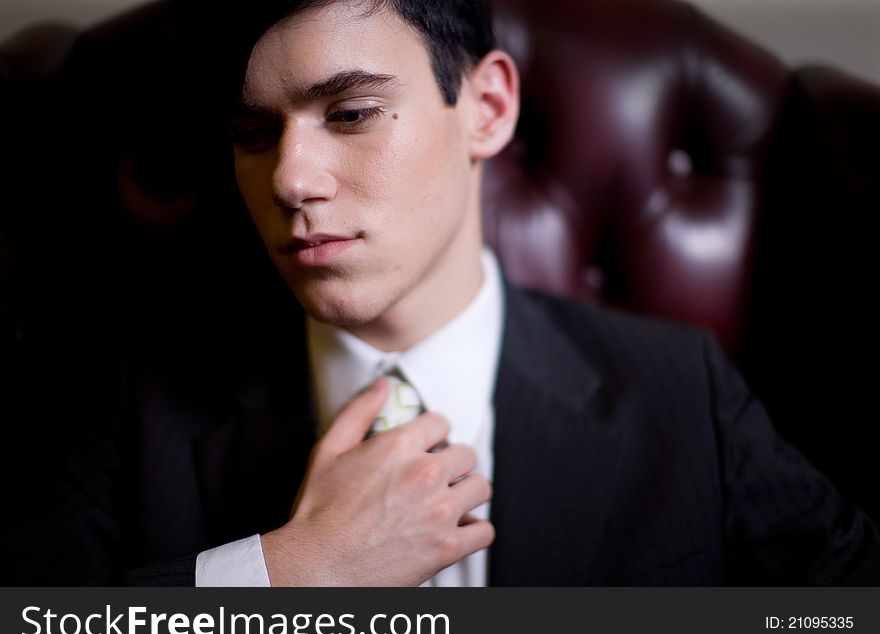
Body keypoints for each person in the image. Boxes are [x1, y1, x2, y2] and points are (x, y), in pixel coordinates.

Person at [8, 0, 880, 586]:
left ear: (489, 107)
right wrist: (284, 577)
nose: (290, 178)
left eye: (350, 114)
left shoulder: (681, 389)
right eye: (250, 132)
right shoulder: (135, 395)